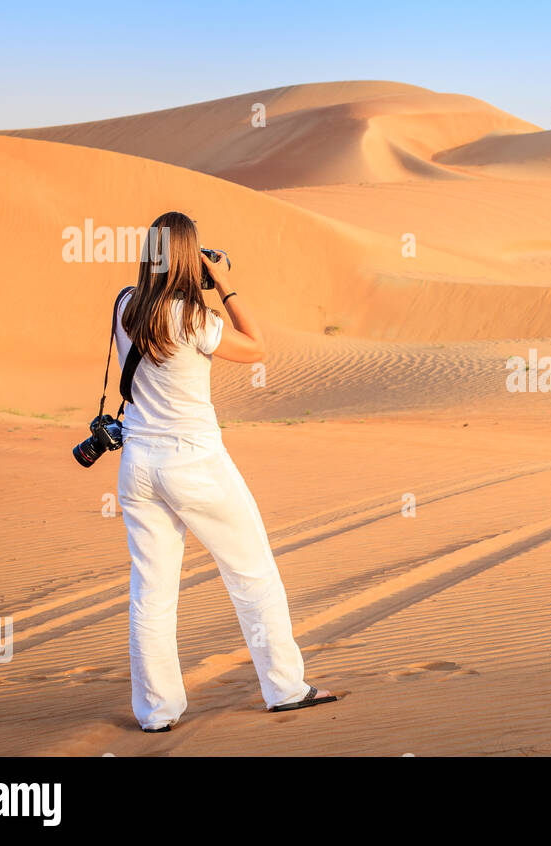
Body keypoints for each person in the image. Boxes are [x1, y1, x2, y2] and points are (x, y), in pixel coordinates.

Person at [115, 211, 334, 732]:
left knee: (151, 590)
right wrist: (226, 286)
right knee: (251, 572)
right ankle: (284, 687)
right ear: (191, 256)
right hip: (194, 461)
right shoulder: (197, 319)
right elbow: (256, 347)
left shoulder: (125, 306)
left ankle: (156, 712)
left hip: (137, 463)